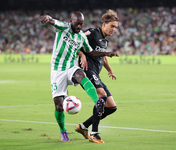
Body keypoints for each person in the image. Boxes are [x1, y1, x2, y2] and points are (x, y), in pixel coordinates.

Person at [40, 11, 118, 142]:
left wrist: (107, 54)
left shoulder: (81, 36)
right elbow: (53, 21)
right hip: (57, 70)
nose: (79, 27)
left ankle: (96, 103)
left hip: (71, 66)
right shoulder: (64, 27)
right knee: (59, 106)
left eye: (81, 24)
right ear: (71, 21)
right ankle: (63, 131)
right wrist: (47, 18)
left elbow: (91, 52)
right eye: (77, 24)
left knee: (81, 75)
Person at [75, 9, 119, 143]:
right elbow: (75, 41)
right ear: (104, 24)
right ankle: (94, 133)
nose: (113, 30)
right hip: (85, 71)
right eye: (112, 26)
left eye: (115, 27)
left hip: (95, 74)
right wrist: (82, 55)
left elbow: (103, 57)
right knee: (101, 95)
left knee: (111, 107)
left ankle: (83, 127)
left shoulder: (105, 41)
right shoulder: (92, 33)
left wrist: (110, 70)